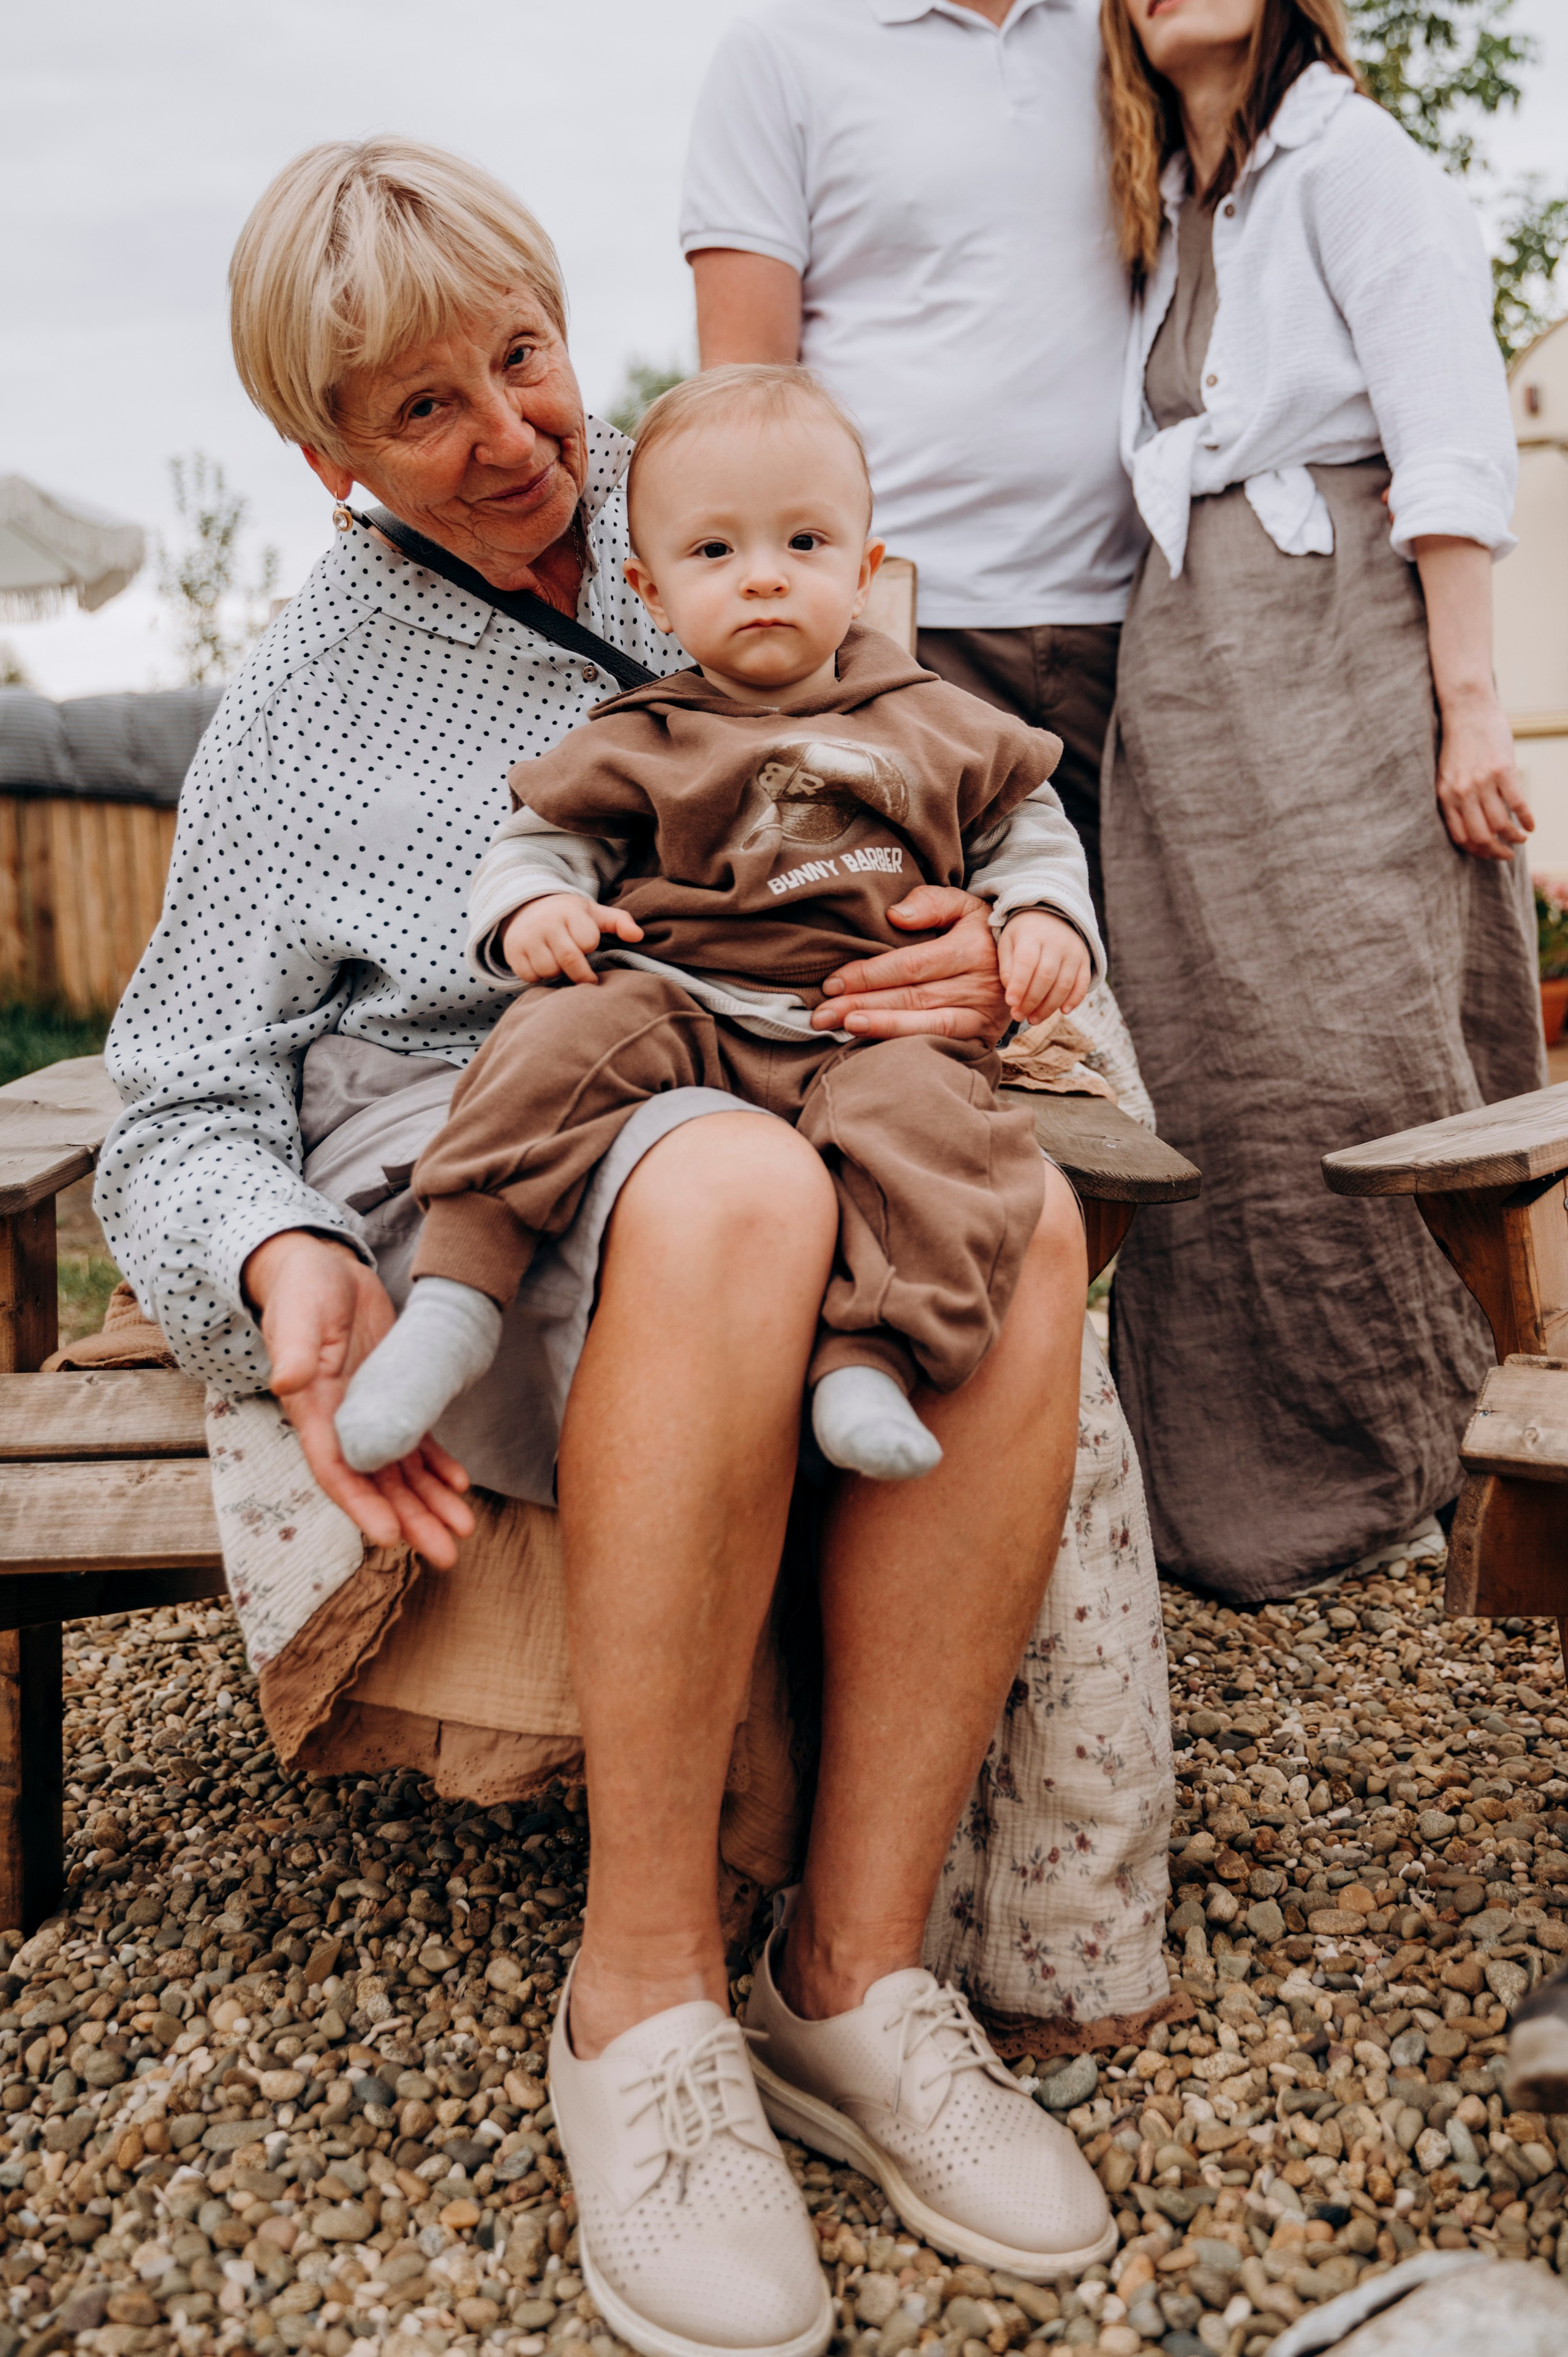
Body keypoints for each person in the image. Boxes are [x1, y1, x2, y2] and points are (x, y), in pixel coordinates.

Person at [95, 138, 1114, 2357]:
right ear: (322, 453)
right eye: (419, 411)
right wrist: (268, 1261)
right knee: (733, 1187)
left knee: (1020, 1231)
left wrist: (989, 952)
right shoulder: (298, 698)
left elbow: (981, 803)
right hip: (487, 1134)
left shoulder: (740, 528)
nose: (512, 437)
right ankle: (638, 2003)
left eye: (525, 361)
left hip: (791, 1059)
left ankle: (851, 1977)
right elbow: (175, 1086)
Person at [336, 366, 1101, 1488]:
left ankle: (869, 1359)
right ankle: (458, 1300)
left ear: (864, 569)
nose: (763, 581)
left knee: (942, 1137)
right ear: (649, 593)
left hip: (868, 1026)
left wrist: (1040, 916)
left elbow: (1030, 828)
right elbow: (542, 843)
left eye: (804, 544)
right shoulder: (644, 733)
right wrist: (537, 910)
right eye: (715, 554)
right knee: (555, 1034)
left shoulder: (936, 719)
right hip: (684, 1007)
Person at [1098, 0, 1545, 1602]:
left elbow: (1449, 435)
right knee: (1205, 1063)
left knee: (1352, 1046)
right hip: (1199, 671)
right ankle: (1232, 1489)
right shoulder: (1168, 206)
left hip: (1339, 639)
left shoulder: (1356, 159)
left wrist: (1470, 705)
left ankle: (1406, 1455)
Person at [680, 0, 1145, 924]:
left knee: (1143, 997)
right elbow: (744, 393)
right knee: (915, 978)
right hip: (900, 634)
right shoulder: (779, 50)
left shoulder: (1128, 28)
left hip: (1136, 623)